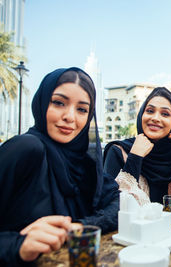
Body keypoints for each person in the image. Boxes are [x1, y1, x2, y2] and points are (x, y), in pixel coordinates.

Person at [0, 67, 119, 266]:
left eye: (82, 109)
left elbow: (118, 203)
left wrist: (78, 227)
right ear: (42, 102)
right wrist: (18, 244)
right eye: (58, 103)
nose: (70, 117)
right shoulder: (26, 149)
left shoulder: (84, 163)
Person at [103, 87, 171, 207]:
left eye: (165, 114)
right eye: (150, 111)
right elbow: (112, 206)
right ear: (141, 115)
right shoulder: (119, 151)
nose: (155, 118)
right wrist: (135, 157)